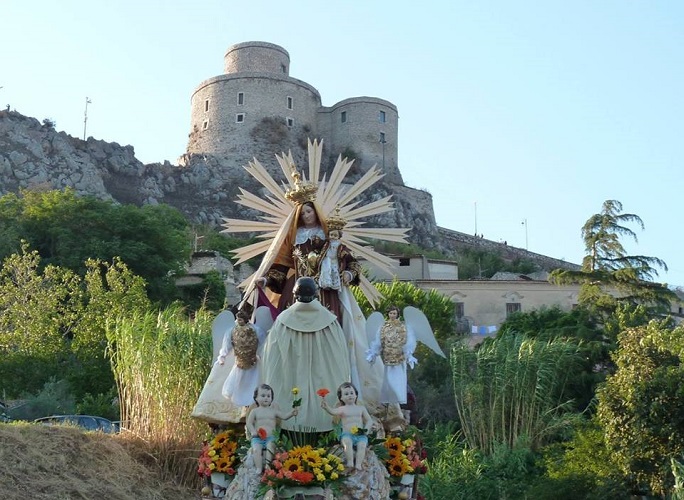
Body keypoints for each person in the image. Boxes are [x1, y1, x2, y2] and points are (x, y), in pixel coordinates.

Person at [260, 277, 352, 432]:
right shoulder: (330, 321)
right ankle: (326, 429)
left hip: (291, 375)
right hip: (323, 378)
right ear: (316, 294)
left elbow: (271, 357)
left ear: (295, 295)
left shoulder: (283, 321)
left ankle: (290, 428)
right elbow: (340, 356)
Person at [366, 306, 417, 405]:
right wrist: (373, 353)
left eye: (394, 313)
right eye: (391, 313)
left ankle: (399, 398)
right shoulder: (383, 327)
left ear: (397, 314)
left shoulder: (403, 327)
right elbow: (378, 341)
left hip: (399, 357)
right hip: (388, 356)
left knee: (399, 378)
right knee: (388, 379)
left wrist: (409, 355)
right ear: (388, 314)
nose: (392, 315)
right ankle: (389, 399)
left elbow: (408, 341)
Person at [245, 384, 298, 472]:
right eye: (263, 396)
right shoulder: (255, 411)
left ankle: (267, 465)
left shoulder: (273, 411)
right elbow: (249, 423)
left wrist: (292, 413)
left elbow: (284, 416)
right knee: (256, 450)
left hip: (270, 437)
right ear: (256, 398)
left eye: (268, 396)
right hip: (258, 437)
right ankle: (258, 467)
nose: (266, 398)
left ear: (271, 398)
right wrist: (253, 431)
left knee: (270, 448)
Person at [321, 382, 373, 471]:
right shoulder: (342, 409)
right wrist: (326, 407)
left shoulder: (361, 408)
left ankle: (358, 464)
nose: (350, 396)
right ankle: (350, 461)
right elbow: (333, 412)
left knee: (362, 446)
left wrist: (366, 430)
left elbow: (369, 420)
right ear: (341, 398)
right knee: (347, 443)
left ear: (356, 395)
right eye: (346, 394)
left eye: (352, 393)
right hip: (347, 434)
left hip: (360, 434)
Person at [220, 310, 267, 408]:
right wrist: (222, 356)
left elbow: (263, 345)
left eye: (241, 319)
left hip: (253, 361)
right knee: (239, 382)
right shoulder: (232, 330)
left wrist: (263, 356)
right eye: (238, 319)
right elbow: (226, 345)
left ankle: (251, 404)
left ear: (245, 320)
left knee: (253, 382)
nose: (239, 321)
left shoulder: (256, 330)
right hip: (240, 361)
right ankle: (241, 406)